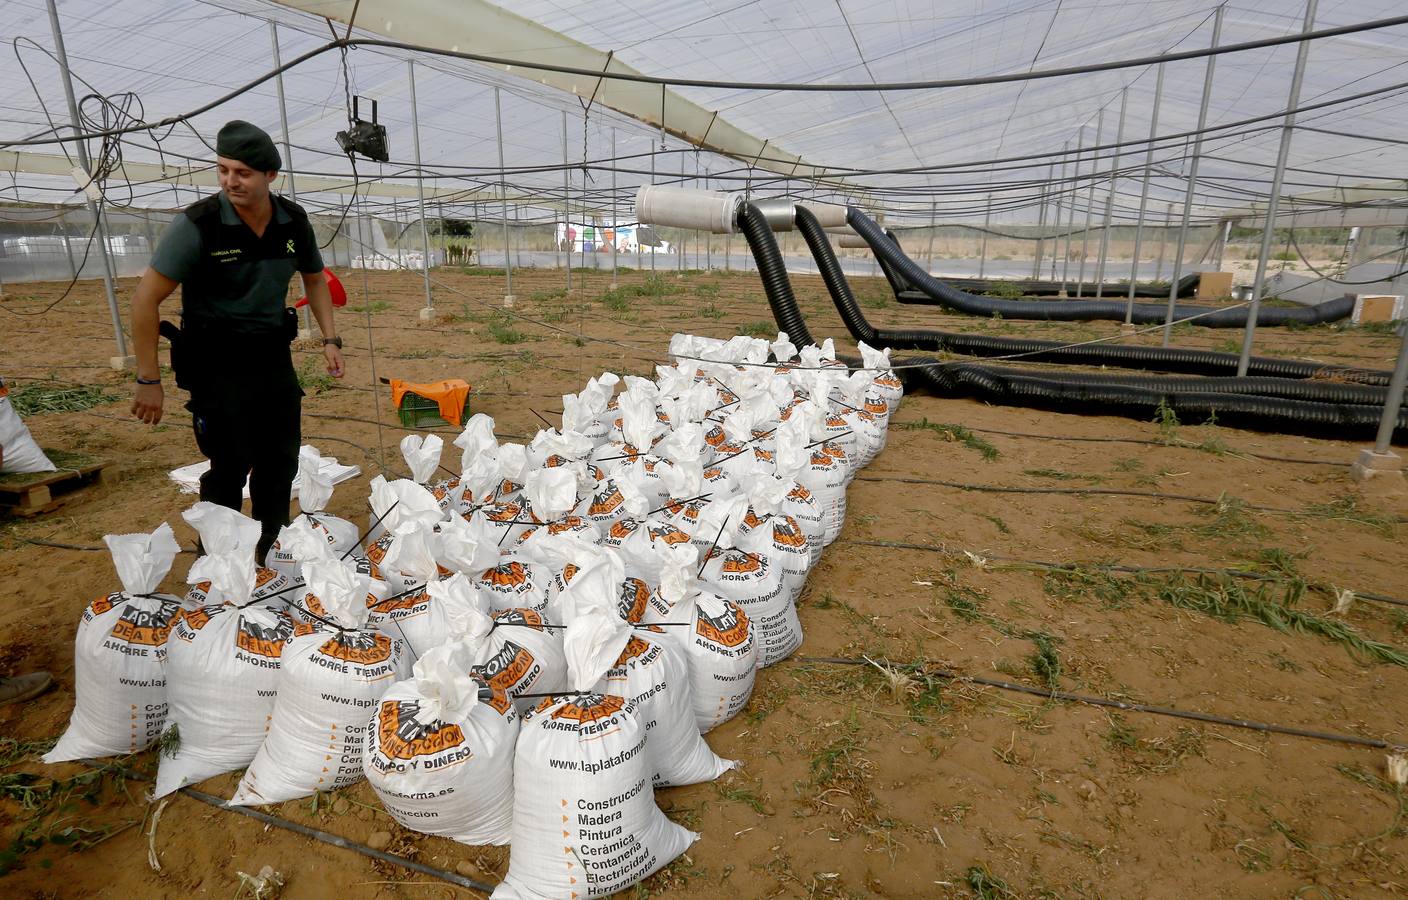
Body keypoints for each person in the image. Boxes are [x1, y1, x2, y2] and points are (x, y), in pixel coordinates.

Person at [131, 120, 344, 561]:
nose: (231, 181)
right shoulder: (198, 226)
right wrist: (147, 379)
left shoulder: (292, 222)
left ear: (270, 176)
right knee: (229, 464)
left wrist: (331, 338)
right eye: (223, 170)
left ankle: (271, 547)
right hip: (215, 361)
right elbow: (145, 299)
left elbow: (316, 279)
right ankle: (222, 558)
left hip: (270, 354)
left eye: (243, 172)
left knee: (279, 458)